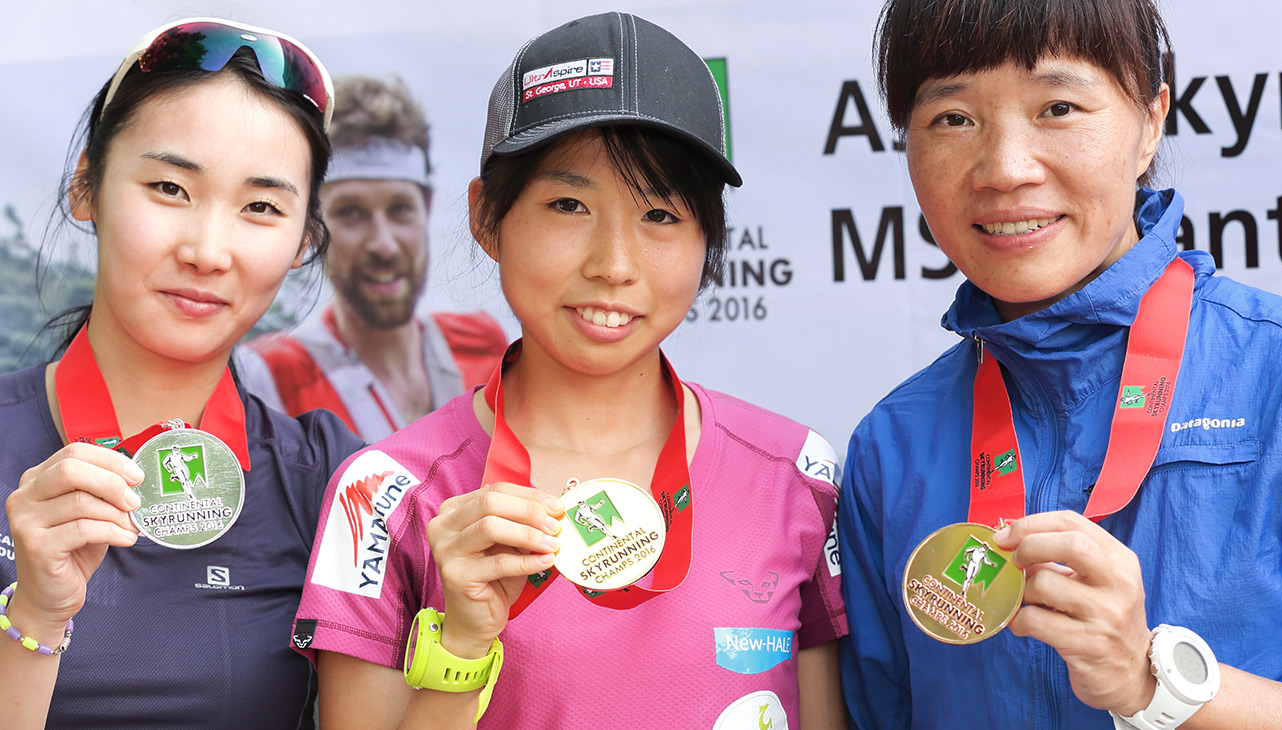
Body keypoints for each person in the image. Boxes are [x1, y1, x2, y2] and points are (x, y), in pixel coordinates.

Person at [837, 1, 1282, 729]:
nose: (1005, 169)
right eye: (953, 119)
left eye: (1058, 106)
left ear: (1151, 122)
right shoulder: (891, 443)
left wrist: (1157, 682)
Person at [290, 12, 847, 729]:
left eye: (661, 214)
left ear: (709, 238)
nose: (613, 264)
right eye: (568, 204)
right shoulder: (384, 495)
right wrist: (461, 643)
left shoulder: (796, 473)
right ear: (487, 217)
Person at [0, 18, 362, 728]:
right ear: (86, 187)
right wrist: (34, 615)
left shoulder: (330, 483)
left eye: (261, 207)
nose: (207, 249)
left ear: (303, 242)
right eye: (169, 187)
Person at [249, 75, 509, 442]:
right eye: (352, 212)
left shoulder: (482, 343)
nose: (383, 244)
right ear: (314, 224)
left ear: (426, 209)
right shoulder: (271, 375)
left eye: (400, 209)